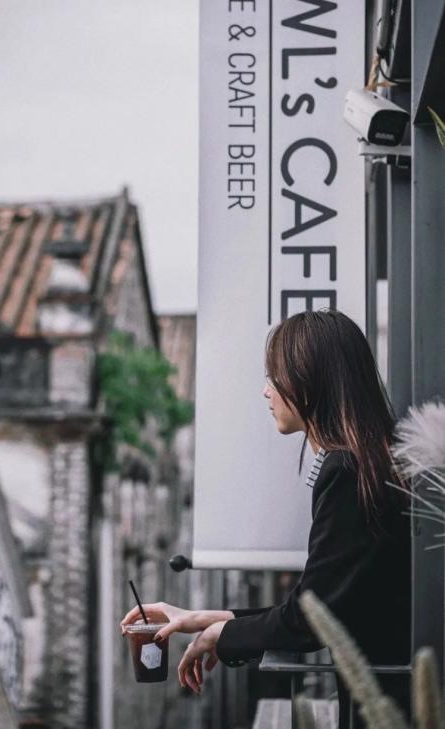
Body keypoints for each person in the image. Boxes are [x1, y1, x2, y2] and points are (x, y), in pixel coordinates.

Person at [120, 310, 411, 729]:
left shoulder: (345, 472)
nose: (265, 390)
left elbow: (309, 620)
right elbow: (317, 604)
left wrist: (224, 635)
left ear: (309, 379)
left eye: (275, 377)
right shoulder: (363, 462)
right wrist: (202, 619)